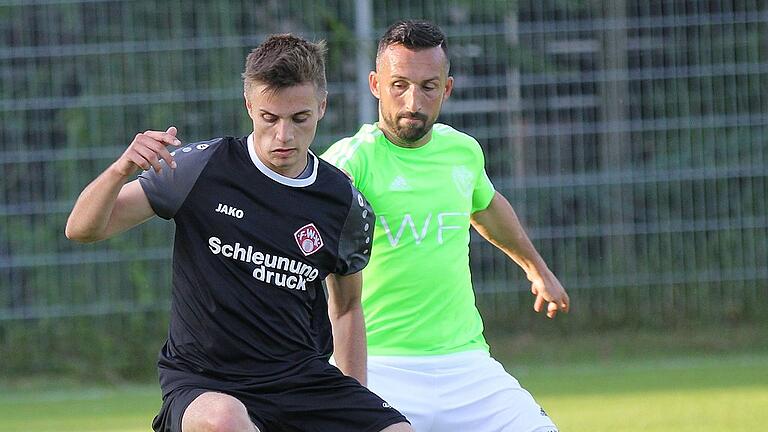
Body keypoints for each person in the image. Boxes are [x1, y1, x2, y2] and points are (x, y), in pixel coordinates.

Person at [66, 34, 411, 432]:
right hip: (203, 383)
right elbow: (82, 229)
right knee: (225, 421)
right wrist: (120, 170)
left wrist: (352, 403)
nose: (283, 136)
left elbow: (347, 308)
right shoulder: (200, 169)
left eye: (299, 118)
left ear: (321, 106)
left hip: (301, 381)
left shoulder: (343, 202)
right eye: (269, 118)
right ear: (249, 106)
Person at [322, 20, 570, 432]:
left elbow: (487, 208)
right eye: (398, 84)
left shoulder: (462, 151)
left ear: (447, 89)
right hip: (380, 367)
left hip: (466, 364)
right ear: (375, 85)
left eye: (428, 86)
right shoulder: (349, 163)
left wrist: (537, 270)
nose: (412, 101)